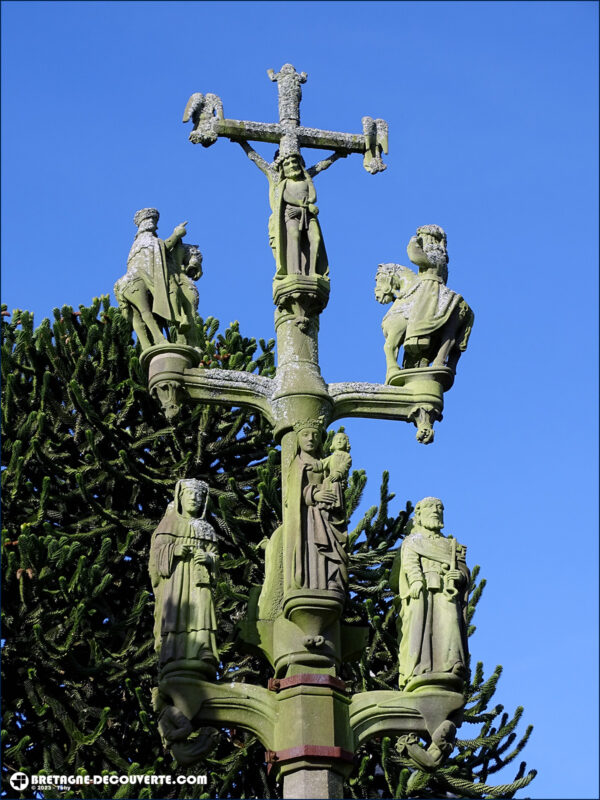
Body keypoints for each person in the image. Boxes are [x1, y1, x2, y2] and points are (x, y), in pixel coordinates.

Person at [390, 497, 469, 689]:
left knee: (450, 621)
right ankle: (420, 668)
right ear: (418, 514)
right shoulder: (413, 541)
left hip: (445, 591)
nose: (436, 510)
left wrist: (459, 575)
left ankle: (453, 663)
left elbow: (465, 572)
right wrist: (416, 580)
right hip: (422, 591)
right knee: (422, 628)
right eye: (430, 507)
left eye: (440, 507)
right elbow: (409, 562)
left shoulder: (451, 545)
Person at [237, 141, 345, 278]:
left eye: (294, 162)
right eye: (285, 162)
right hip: (283, 218)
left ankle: (310, 271)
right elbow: (256, 159)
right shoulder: (275, 177)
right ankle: (292, 270)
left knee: (311, 240)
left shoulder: (305, 178)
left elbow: (320, 167)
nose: (291, 165)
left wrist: (336, 155)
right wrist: (243, 143)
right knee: (289, 241)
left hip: (307, 213)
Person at [149, 479, 219, 677]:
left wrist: (208, 558)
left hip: (200, 579)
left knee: (202, 611)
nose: (195, 499)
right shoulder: (169, 523)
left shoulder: (207, 529)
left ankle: (204, 649)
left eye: (199, 496)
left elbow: (215, 555)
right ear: (180, 497)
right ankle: (173, 652)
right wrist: (174, 551)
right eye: (190, 494)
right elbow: (157, 553)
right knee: (177, 612)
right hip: (177, 579)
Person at [283, 419, 348, 598]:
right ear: (298, 439)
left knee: (335, 550)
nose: (310, 438)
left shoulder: (327, 461)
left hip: (327, 514)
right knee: (311, 547)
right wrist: (314, 495)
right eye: (305, 435)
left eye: (315, 435)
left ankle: (331, 581)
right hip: (307, 518)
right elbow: (292, 495)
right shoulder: (297, 464)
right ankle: (308, 584)